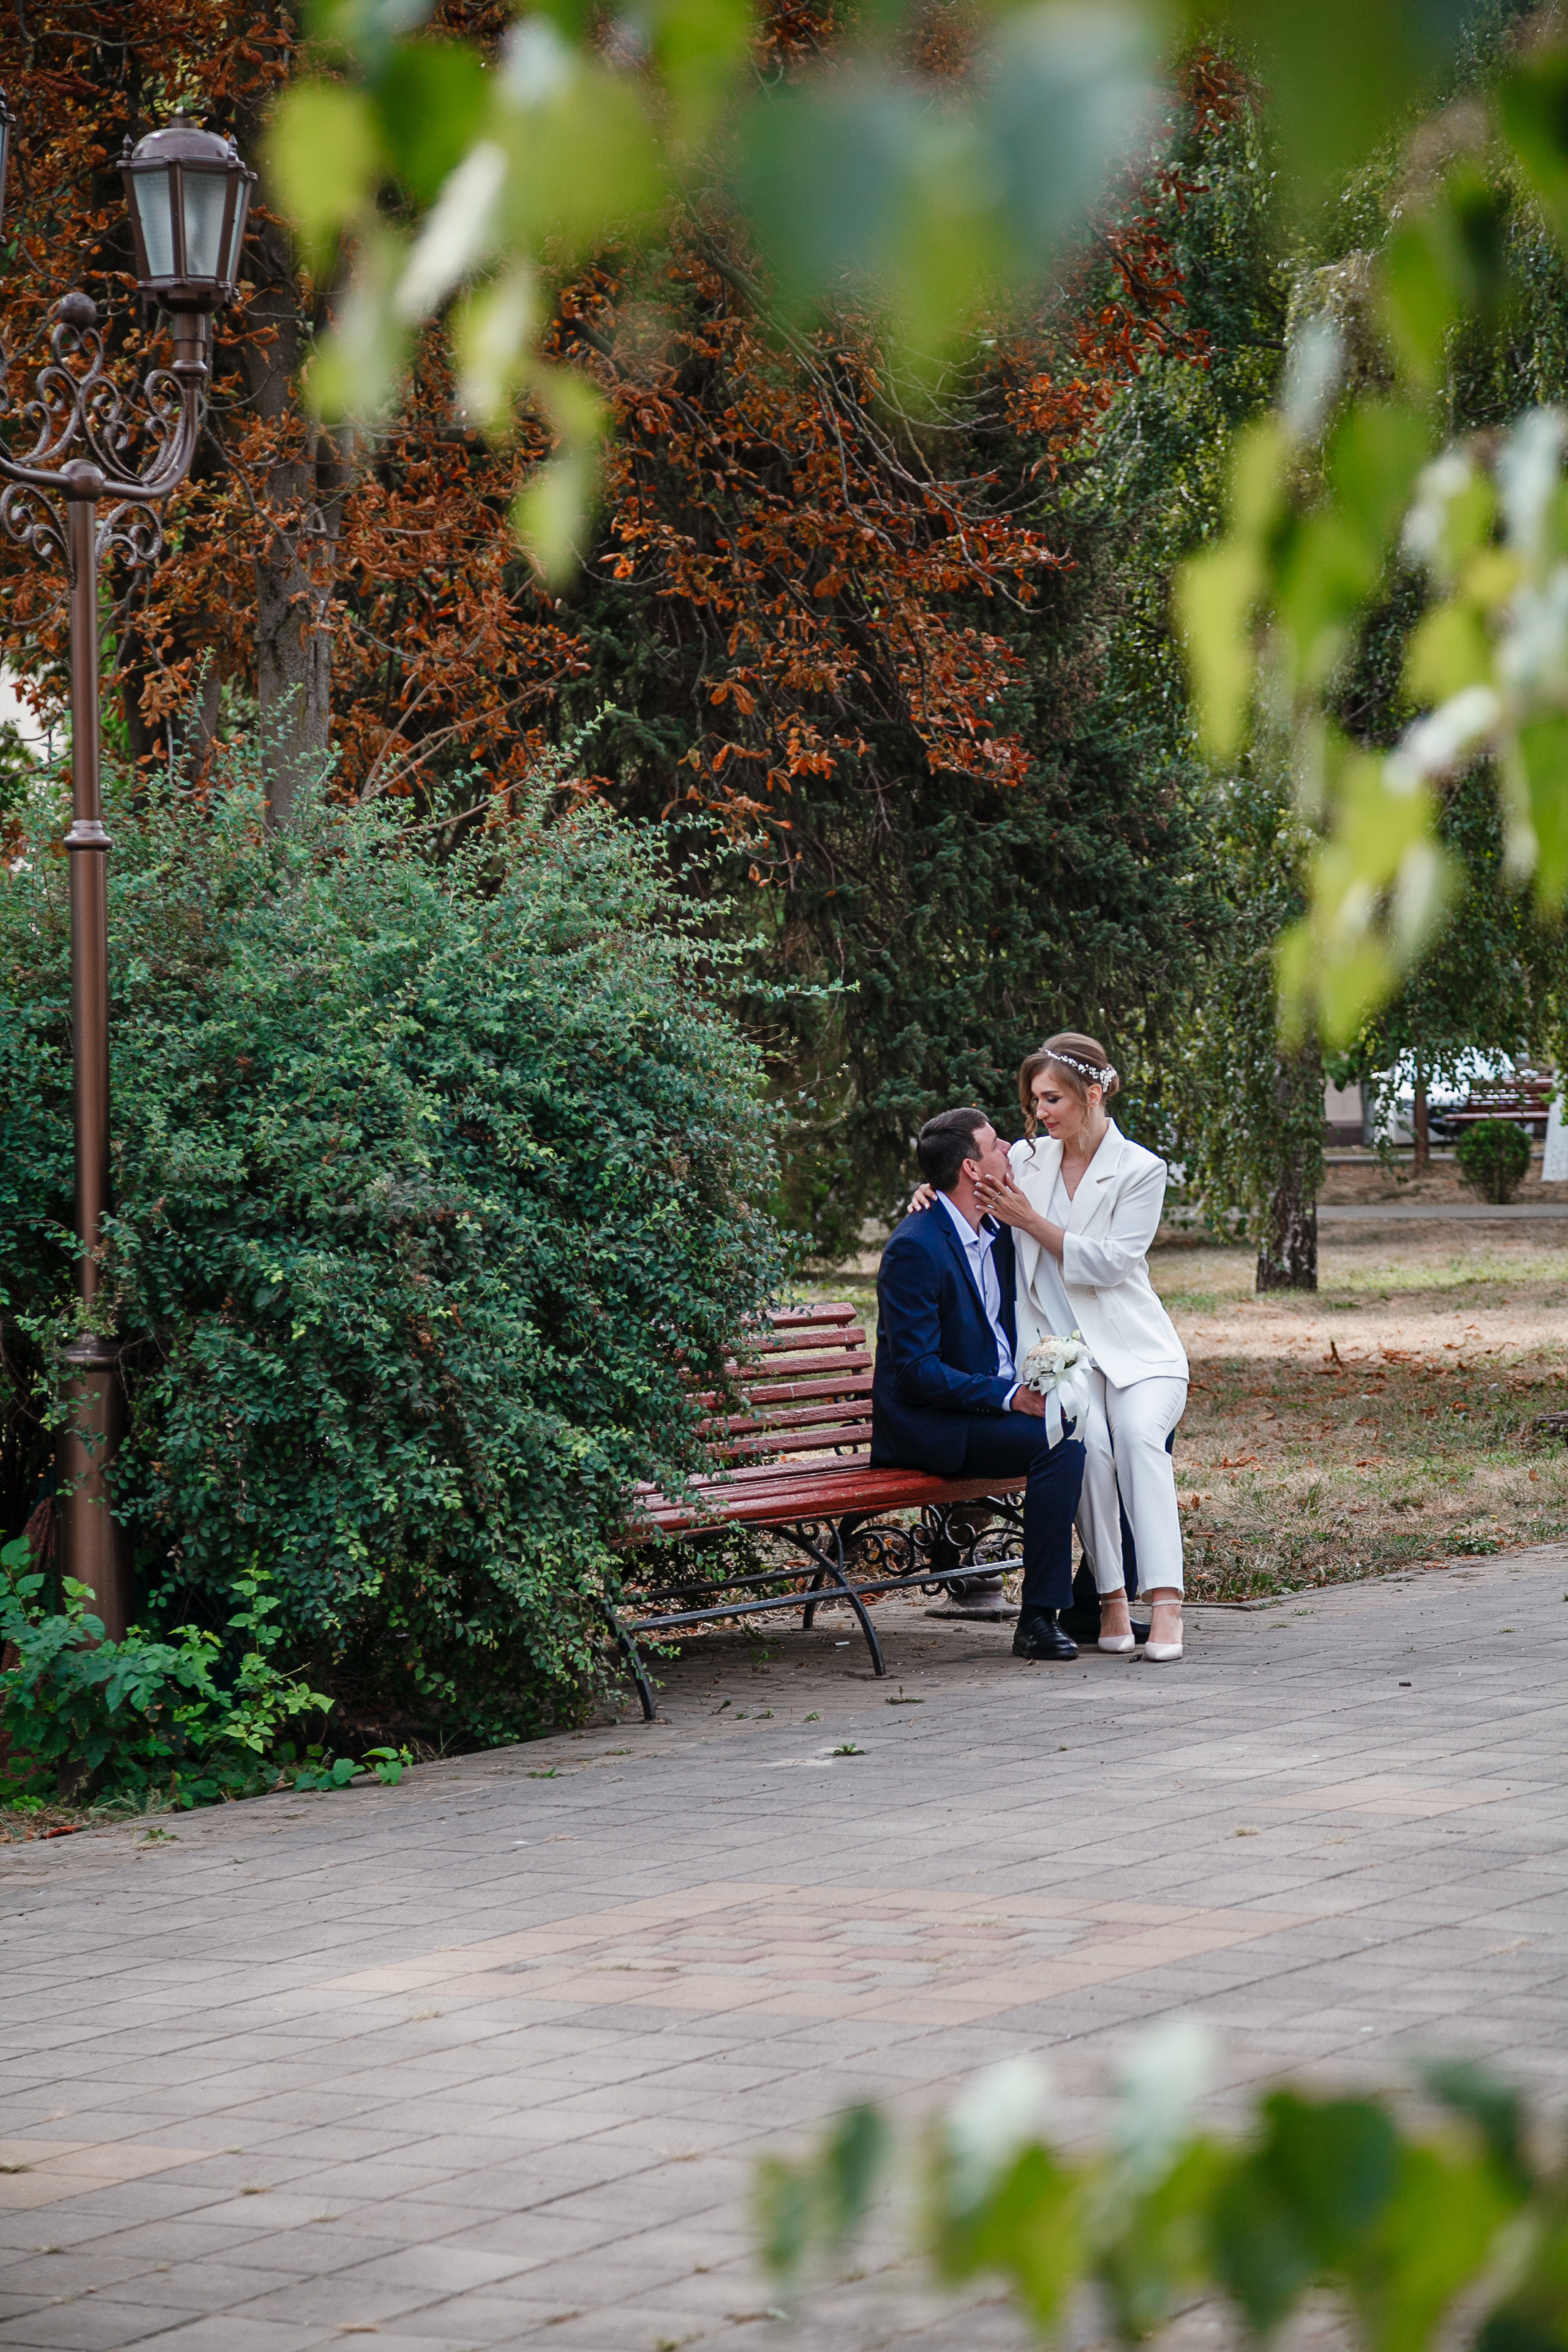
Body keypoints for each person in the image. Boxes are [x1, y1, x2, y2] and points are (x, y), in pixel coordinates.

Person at [981, 1033, 1189, 1662]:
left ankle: (1168, 1603)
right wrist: (929, 1194)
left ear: (1091, 1094)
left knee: (1135, 1440)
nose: (1040, 1112)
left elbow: (1110, 1264)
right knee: (1088, 1446)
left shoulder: (1140, 1170)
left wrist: (1031, 1222)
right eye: (1035, 1099)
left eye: (1052, 1099)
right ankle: (1112, 1604)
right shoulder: (1027, 1159)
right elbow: (969, 1182)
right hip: (1064, 1357)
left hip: (1140, 1354)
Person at [871, 1106, 1086, 1662]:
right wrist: (1008, 1396)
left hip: (989, 1410)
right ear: (972, 1169)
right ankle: (1038, 1619)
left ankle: (1091, 1602)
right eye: (996, 1145)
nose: (1010, 1148)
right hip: (934, 1426)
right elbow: (916, 1372)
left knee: (1112, 1429)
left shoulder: (998, 1232)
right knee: (1059, 1447)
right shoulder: (915, 1247)